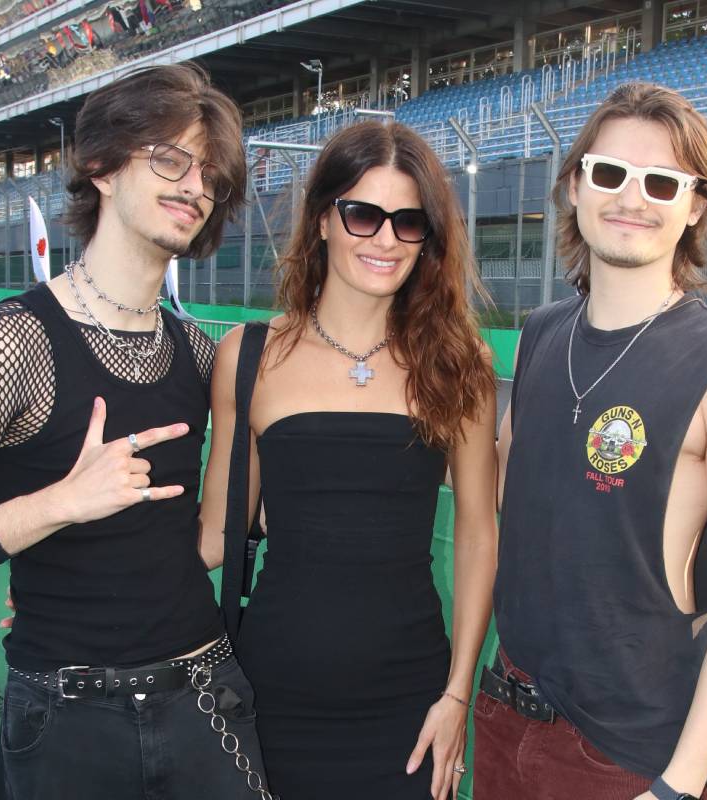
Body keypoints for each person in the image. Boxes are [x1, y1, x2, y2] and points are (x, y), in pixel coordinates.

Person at [473, 81, 707, 800]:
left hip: (623, 759)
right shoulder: (541, 333)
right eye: (609, 172)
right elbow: (515, 504)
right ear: (575, 186)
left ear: (696, 205)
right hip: (504, 717)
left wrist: (677, 786)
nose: (632, 198)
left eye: (662, 182)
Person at [0, 64, 272, 799]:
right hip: (66, 717)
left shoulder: (197, 350)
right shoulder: (15, 342)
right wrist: (57, 506)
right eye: (171, 159)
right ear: (102, 167)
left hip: (206, 698)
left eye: (210, 174)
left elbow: (209, 529)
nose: (194, 186)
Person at [198, 120, 499, 800]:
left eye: (408, 222)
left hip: (410, 700)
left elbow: (479, 535)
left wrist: (456, 694)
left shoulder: (459, 364)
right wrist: (86, 570)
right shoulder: (248, 356)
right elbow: (215, 535)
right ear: (323, 219)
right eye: (363, 214)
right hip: (272, 695)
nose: (386, 240)